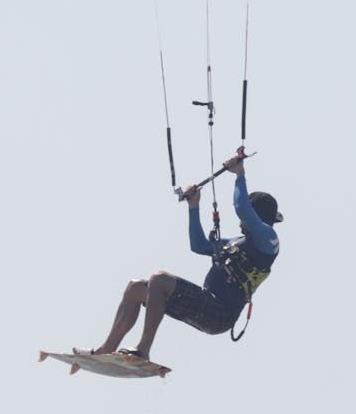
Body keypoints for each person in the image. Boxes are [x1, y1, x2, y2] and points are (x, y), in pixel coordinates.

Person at [94, 148, 281, 361]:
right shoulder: (236, 243)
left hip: (220, 313)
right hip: (204, 304)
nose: (240, 222)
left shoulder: (269, 240)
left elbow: (242, 208)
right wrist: (194, 207)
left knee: (160, 279)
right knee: (135, 288)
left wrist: (240, 174)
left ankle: (142, 350)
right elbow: (199, 245)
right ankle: (105, 350)